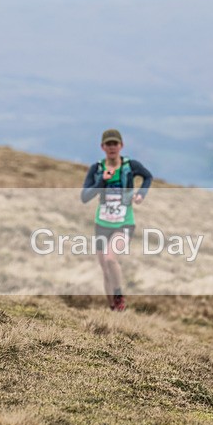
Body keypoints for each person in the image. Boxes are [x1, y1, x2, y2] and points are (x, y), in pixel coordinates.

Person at [81, 129, 153, 311]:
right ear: (102, 147)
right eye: (108, 144)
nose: (112, 147)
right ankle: (113, 309)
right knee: (105, 270)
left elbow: (148, 177)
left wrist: (141, 194)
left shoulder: (131, 165)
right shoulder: (96, 169)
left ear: (121, 146)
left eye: (115, 144)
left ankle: (119, 296)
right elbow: (85, 196)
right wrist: (102, 182)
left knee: (111, 258)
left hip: (125, 222)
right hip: (102, 223)